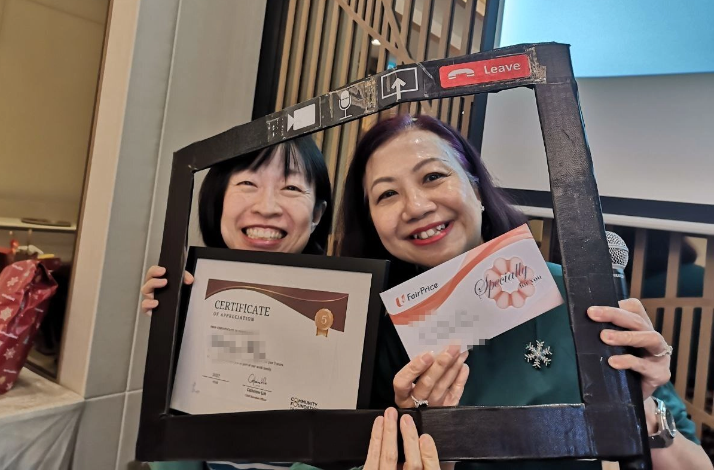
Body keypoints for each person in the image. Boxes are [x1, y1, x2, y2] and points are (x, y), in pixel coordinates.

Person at [337, 114, 713, 470]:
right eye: (387, 194)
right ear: (371, 221)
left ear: (478, 188)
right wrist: (432, 437)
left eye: (433, 176)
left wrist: (638, 406)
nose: (416, 206)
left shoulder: (576, 297)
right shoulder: (380, 340)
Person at [143, 136, 332, 470]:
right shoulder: (192, 290)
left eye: (290, 188)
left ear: (317, 213)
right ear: (218, 201)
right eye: (248, 182)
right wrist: (170, 329)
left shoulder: (344, 308)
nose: (267, 207)